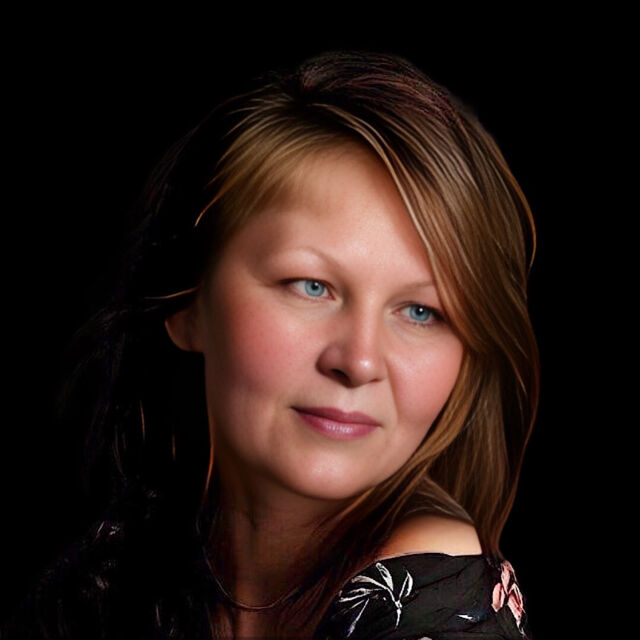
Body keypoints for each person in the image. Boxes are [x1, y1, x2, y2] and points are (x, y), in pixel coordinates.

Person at [4, 50, 539, 639]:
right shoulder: (109, 576)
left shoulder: (435, 608)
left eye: (421, 312)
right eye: (311, 286)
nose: (359, 360)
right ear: (188, 301)